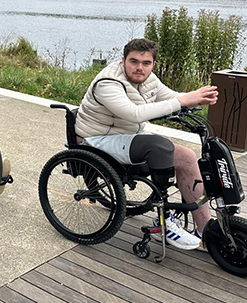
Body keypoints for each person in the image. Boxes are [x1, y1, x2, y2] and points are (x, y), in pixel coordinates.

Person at [75, 38, 218, 250]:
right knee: (158, 147)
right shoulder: (108, 82)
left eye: (146, 63)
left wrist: (197, 98)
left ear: (153, 64)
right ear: (123, 60)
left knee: (186, 156)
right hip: (97, 139)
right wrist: (183, 101)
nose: (139, 68)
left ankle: (205, 231)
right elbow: (134, 114)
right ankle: (164, 221)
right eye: (133, 61)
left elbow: (172, 97)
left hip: (129, 136)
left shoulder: (149, 79)